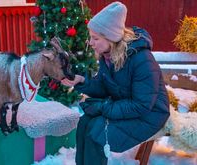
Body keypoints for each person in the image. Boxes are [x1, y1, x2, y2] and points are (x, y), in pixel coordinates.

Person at [61, 1, 170, 165]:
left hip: (151, 114)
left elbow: (142, 104)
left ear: (110, 38)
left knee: (96, 132)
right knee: (84, 123)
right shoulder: (109, 55)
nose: (90, 43)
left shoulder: (142, 60)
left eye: (95, 38)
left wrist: (103, 107)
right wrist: (81, 81)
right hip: (130, 106)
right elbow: (106, 86)